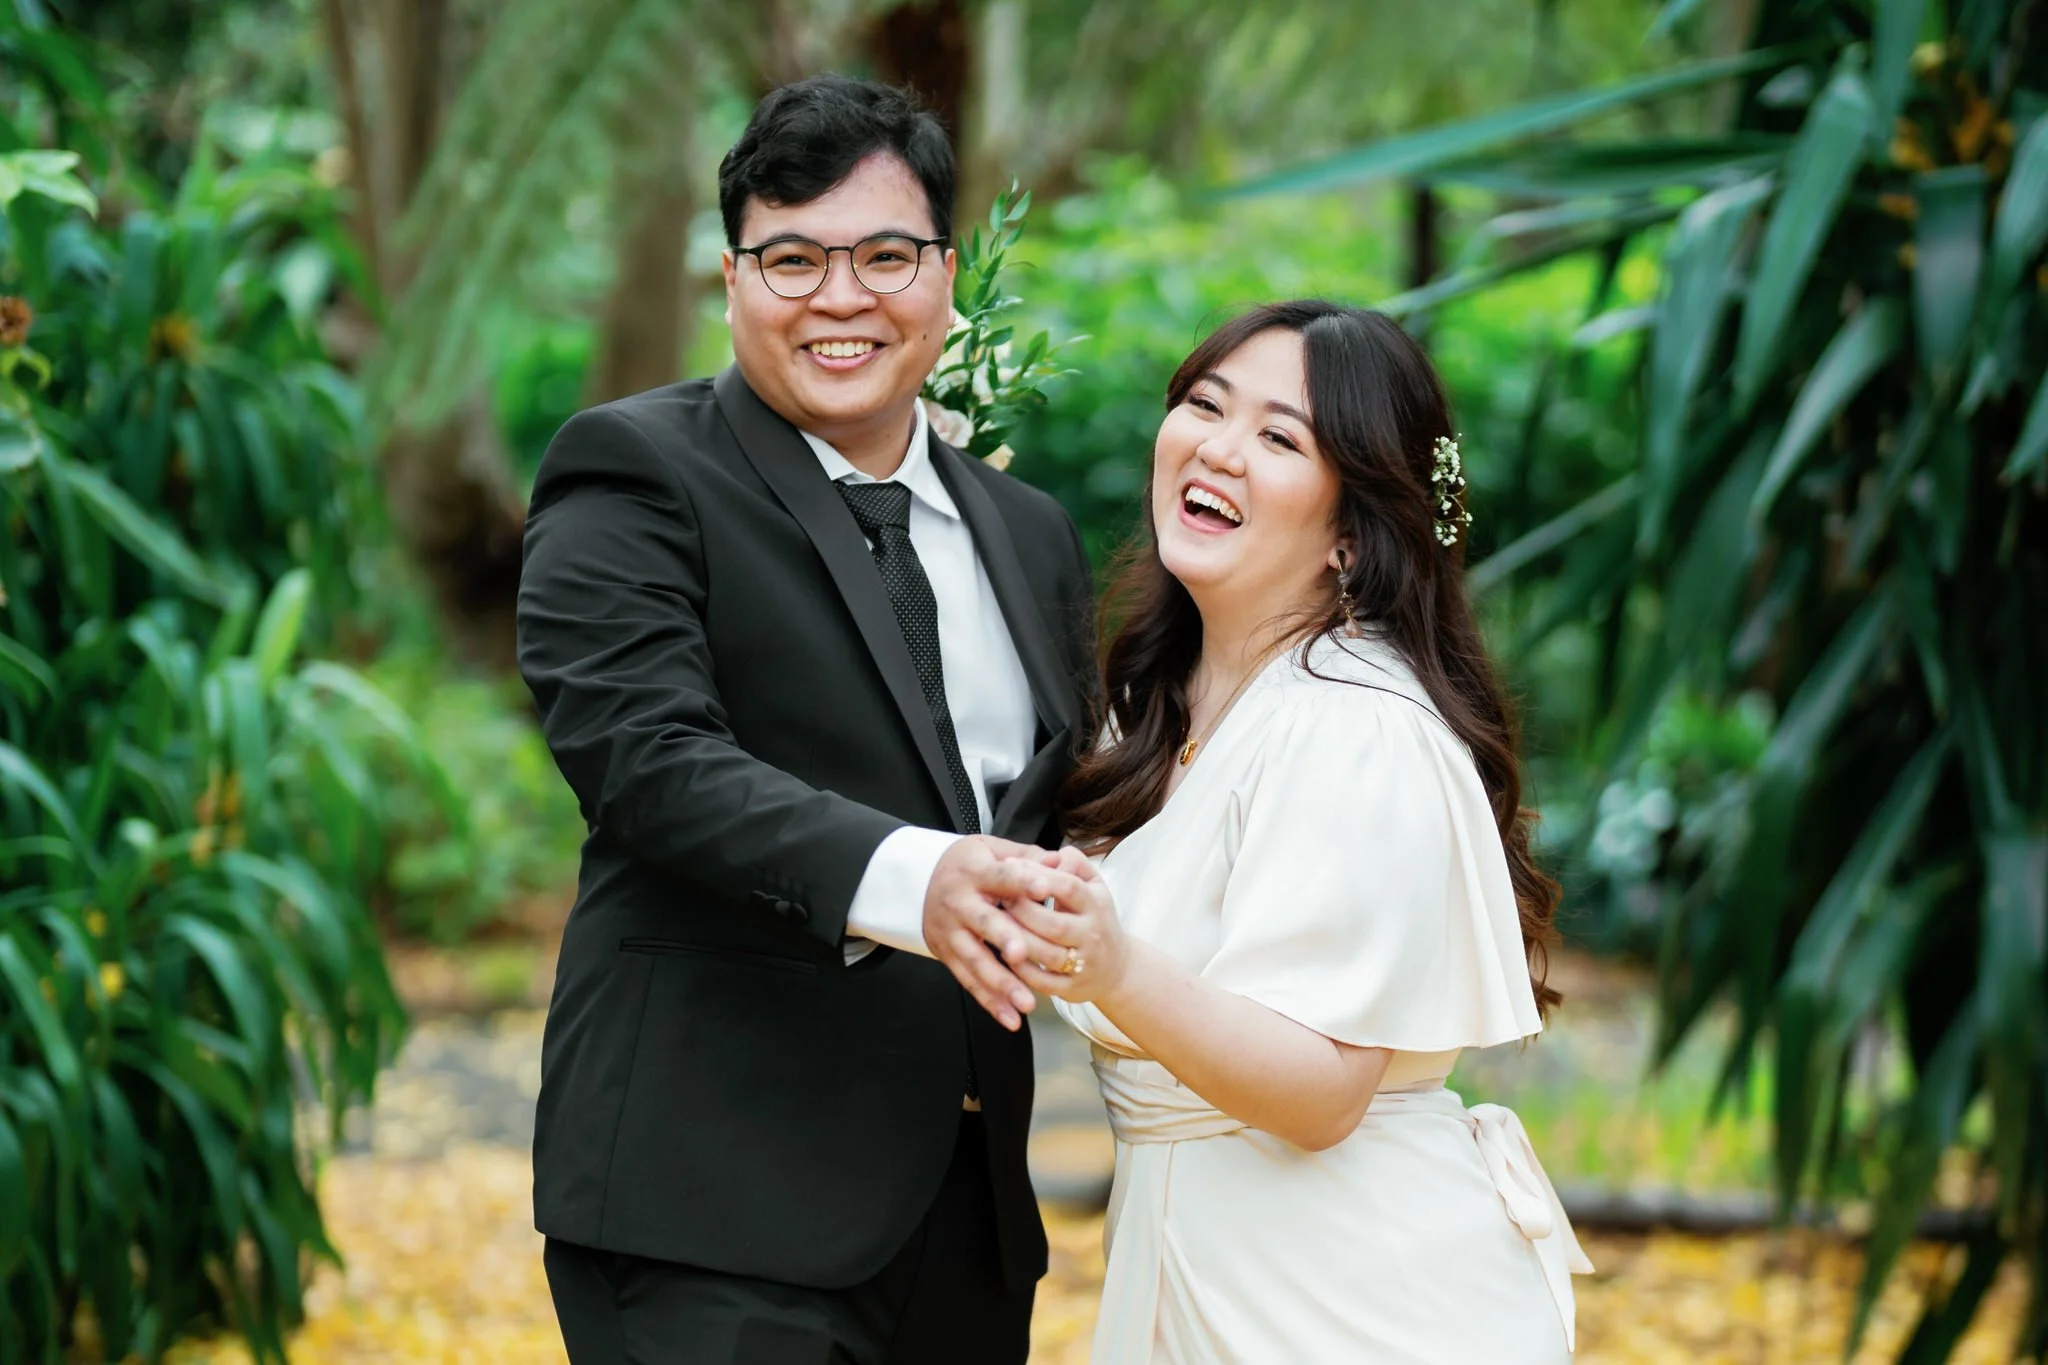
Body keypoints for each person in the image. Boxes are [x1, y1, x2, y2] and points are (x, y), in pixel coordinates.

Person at [515, 74, 1096, 1364]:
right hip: (709, 1205)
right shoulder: (633, 472)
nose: (841, 298)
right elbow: (644, 760)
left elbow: (1065, 808)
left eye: (884, 255)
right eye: (791, 259)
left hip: (966, 1220)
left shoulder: (1031, 537)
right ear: (730, 281)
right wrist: (917, 879)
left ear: (945, 276)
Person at [995, 300, 1594, 1361]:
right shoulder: (1157, 701)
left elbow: (1320, 1091)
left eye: (1277, 438)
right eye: (1202, 405)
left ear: (1353, 537)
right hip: (1206, 1261)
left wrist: (1114, 965)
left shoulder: (1354, 724)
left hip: (1341, 1296)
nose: (1216, 448)